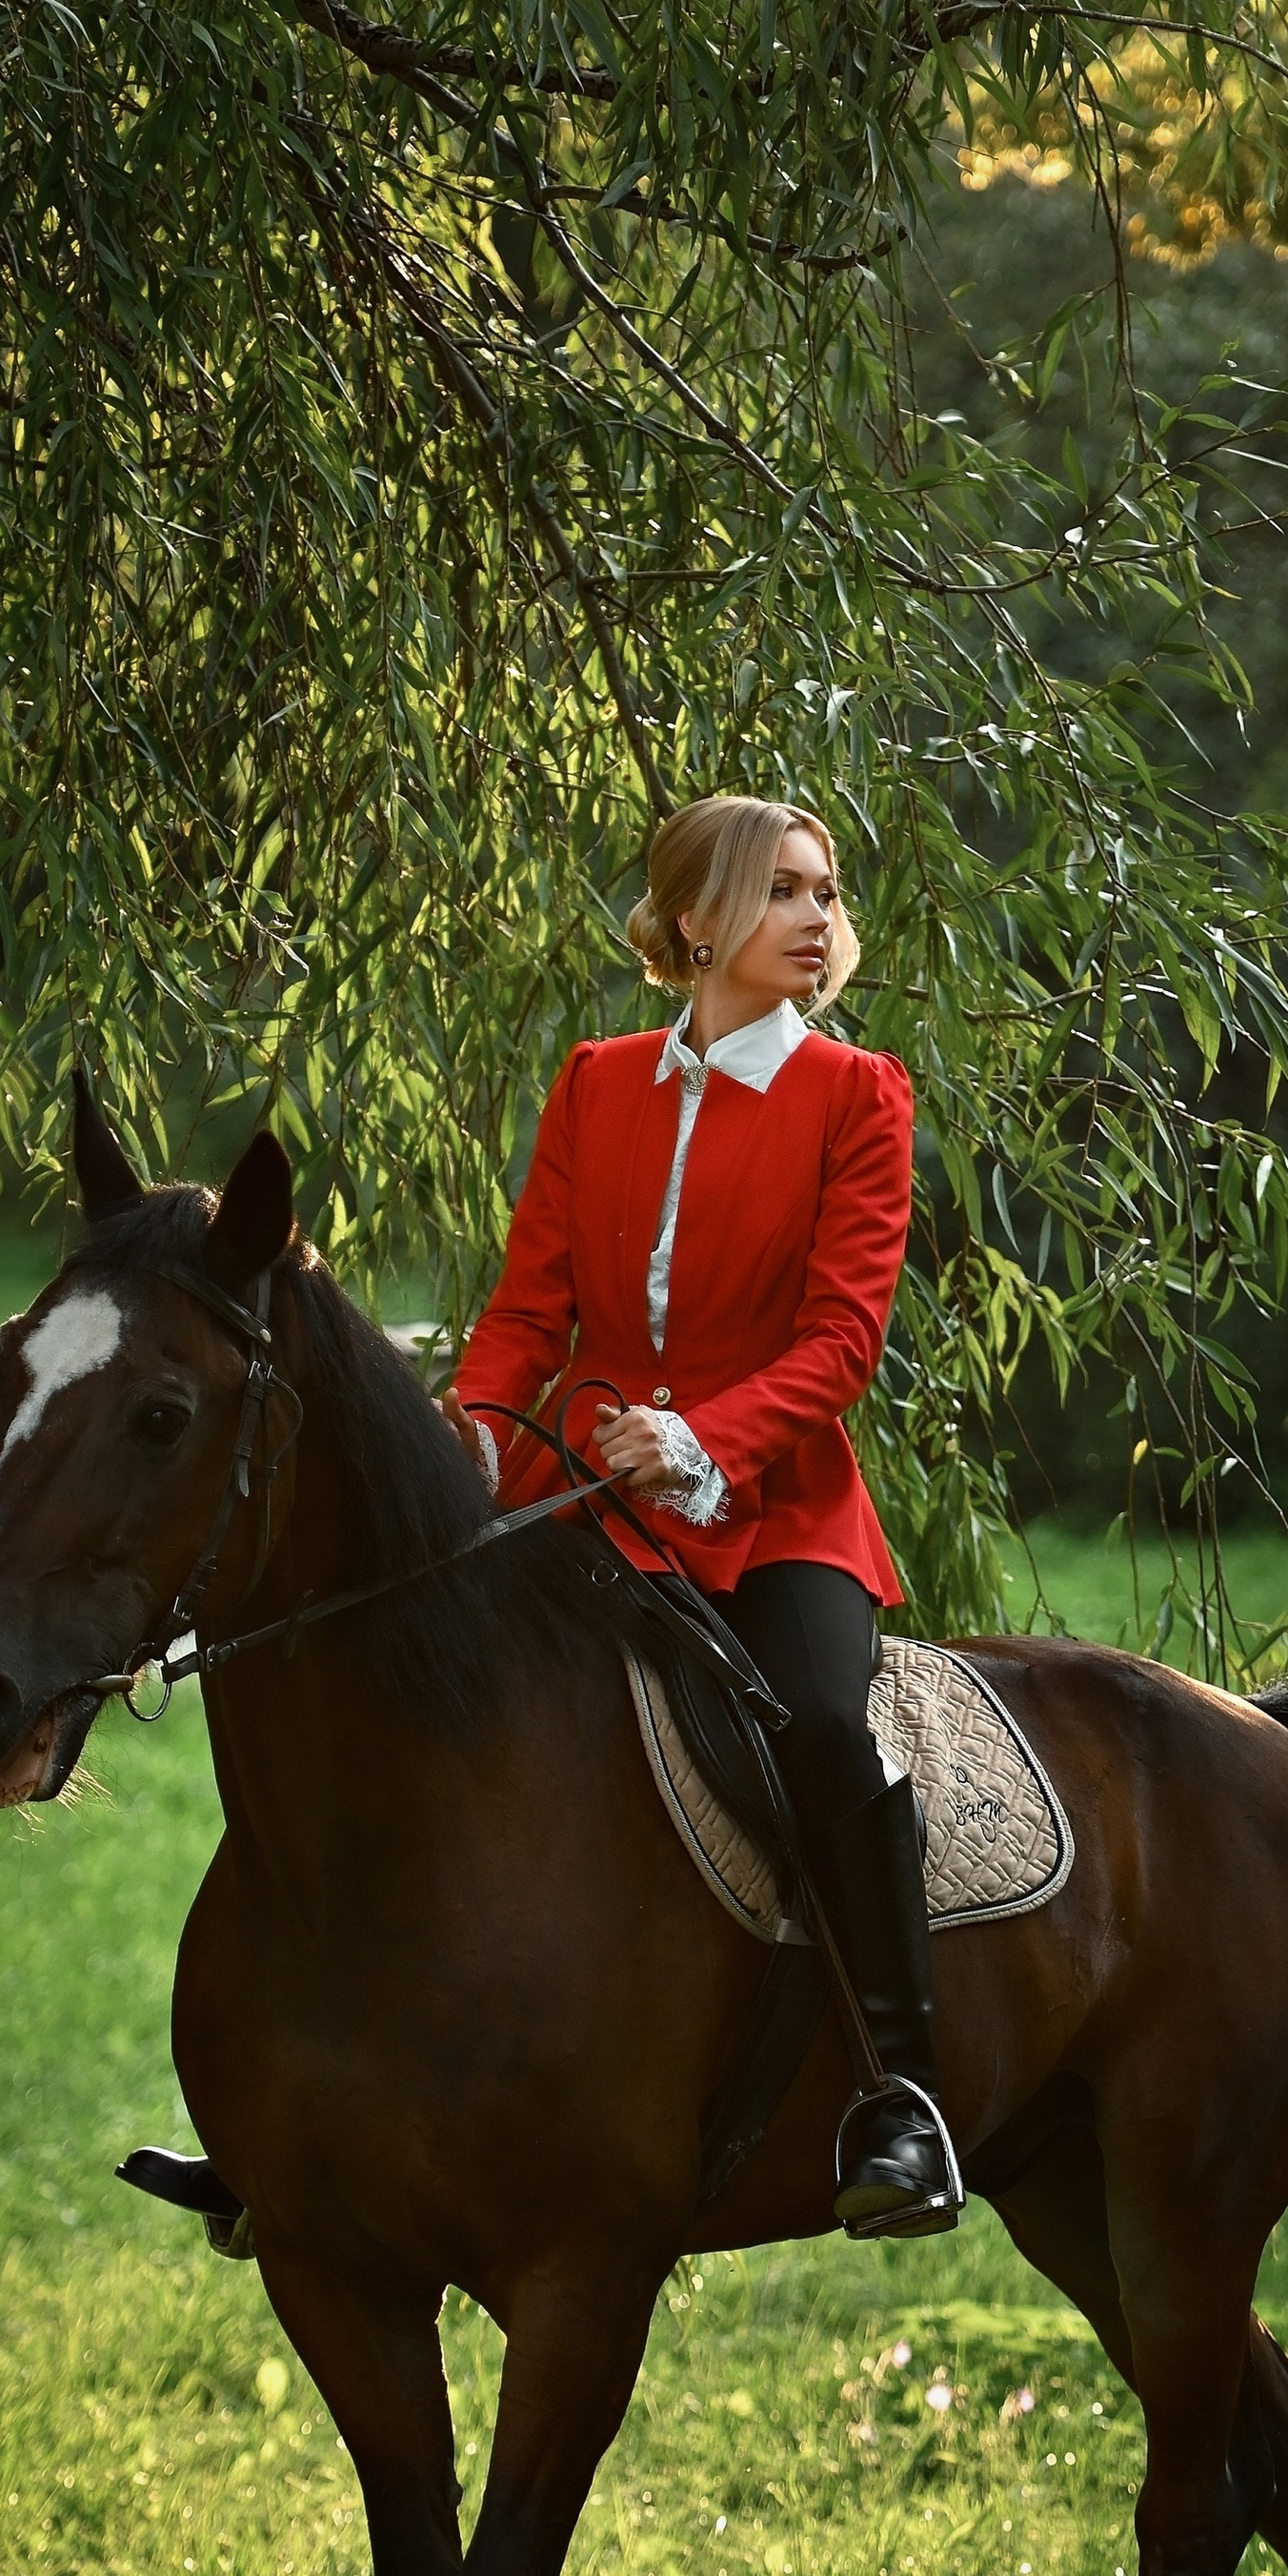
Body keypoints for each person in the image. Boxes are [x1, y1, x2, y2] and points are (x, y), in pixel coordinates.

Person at [439, 793, 959, 2240]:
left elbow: (841, 1343)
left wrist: (702, 1438)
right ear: (692, 923)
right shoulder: (596, 1080)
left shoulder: (860, 1097)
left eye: (826, 890)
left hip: (776, 1502)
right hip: (582, 1492)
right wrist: (479, 1439)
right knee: (411, 1683)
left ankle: (903, 2100)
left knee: (815, 1721)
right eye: (784, 890)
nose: (818, 917)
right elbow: (528, 1305)